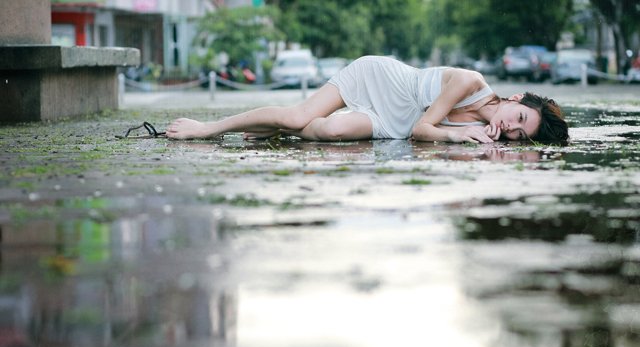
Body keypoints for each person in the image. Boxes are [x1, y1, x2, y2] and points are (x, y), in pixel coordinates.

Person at [167, 55, 569, 143]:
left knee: (327, 130)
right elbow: (422, 129)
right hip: (381, 81)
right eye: (518, 116)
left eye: (518, 134)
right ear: (516, 98)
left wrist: (480, 142)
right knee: (296, 116)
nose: (509, 127)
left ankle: (272, 131)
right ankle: (209, 128)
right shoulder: (469, 81)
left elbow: (412, 132)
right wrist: (458, 137)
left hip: (389, 125)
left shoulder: (486, 132)